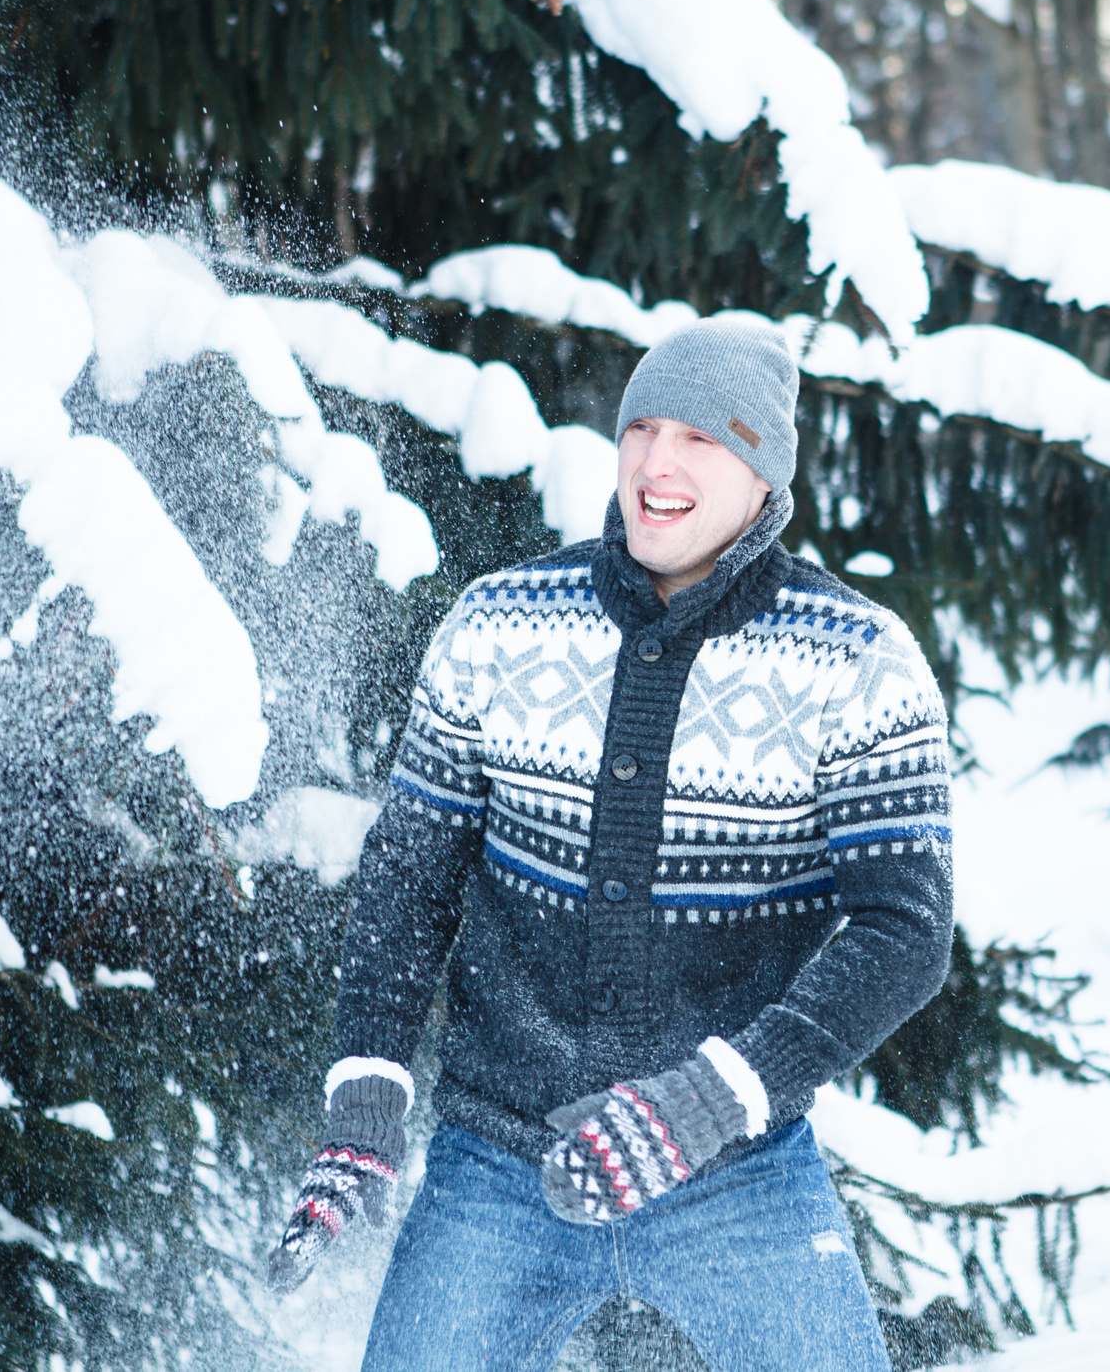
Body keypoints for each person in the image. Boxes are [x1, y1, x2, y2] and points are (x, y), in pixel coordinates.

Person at [265, 317, 954, 1371]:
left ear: (763, 468)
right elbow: (409, 880)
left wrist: (706, 1100)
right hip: (494, 1166)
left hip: (736, 1169)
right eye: (642, 428)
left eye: (700, 439)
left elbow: (904, 930)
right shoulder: (497, 625)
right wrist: (366, 1098)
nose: (656, 463)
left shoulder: (859, 661)